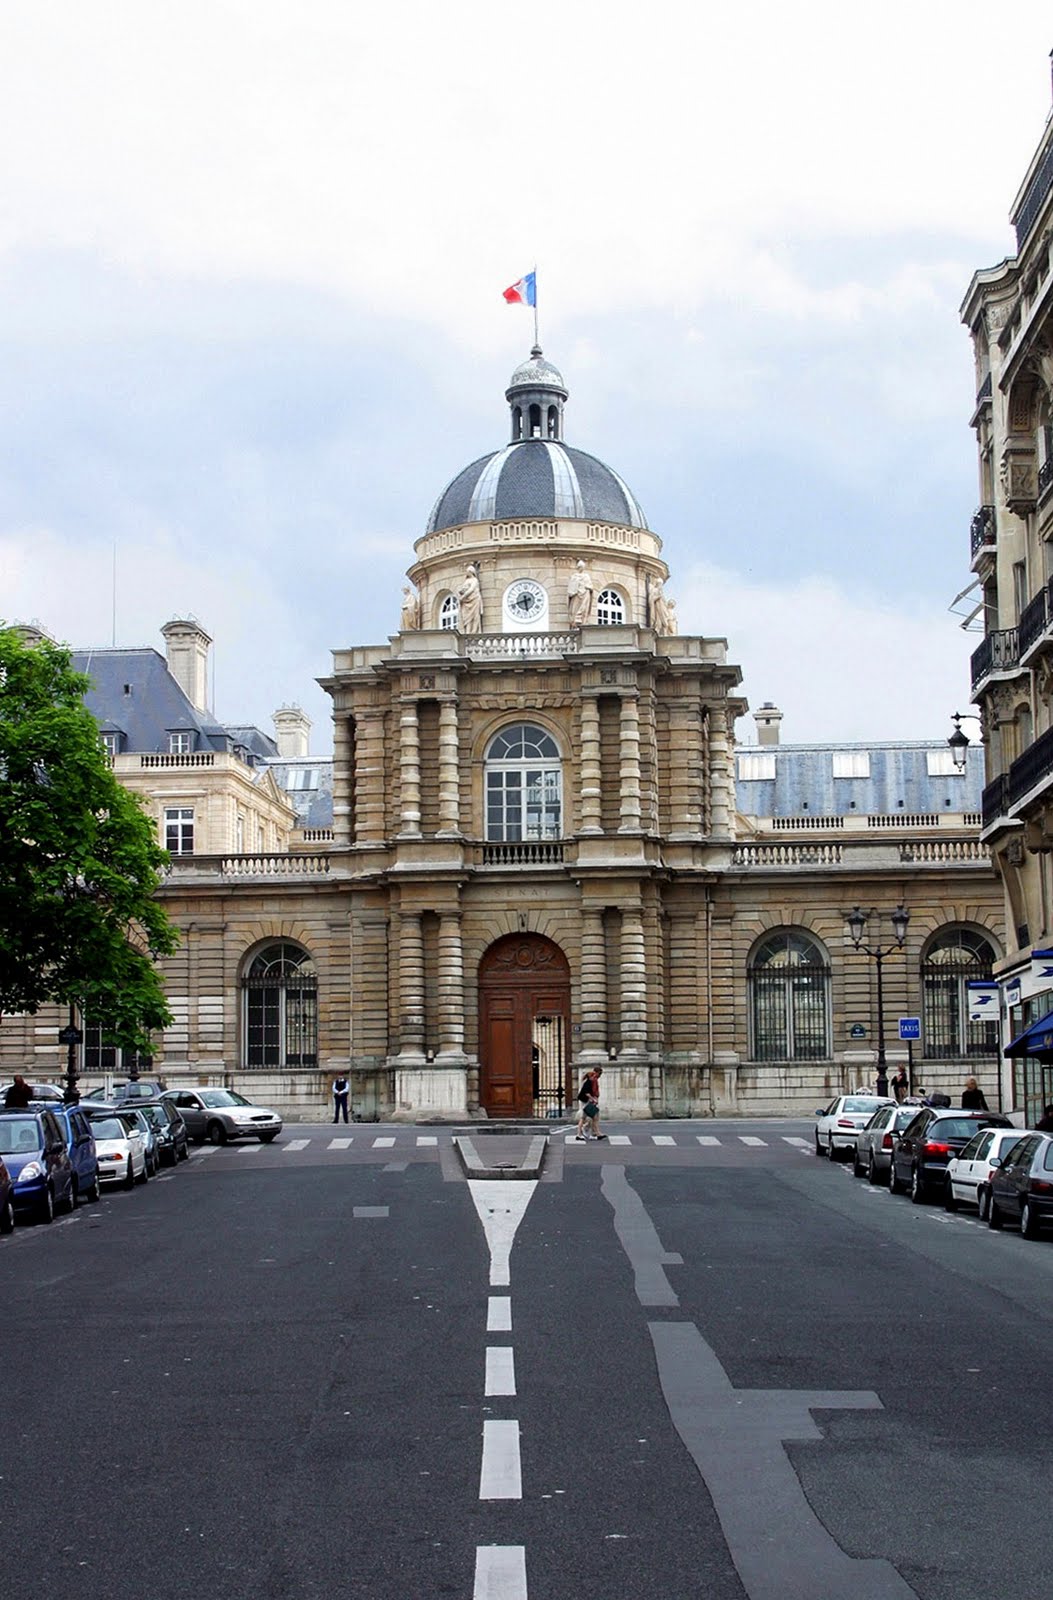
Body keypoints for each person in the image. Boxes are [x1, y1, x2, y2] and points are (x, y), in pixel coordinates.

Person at [575, 1065, 606, 1141]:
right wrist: (593, 1099)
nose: (599, 1076)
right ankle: (579, 1134)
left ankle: (596, 1133)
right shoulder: (590, 1081)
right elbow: (587, 1093)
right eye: (599, 1074)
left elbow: (594, 1092)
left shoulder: (593, 1080)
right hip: (585, 1101)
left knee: (595, 1117)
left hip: (589, 1100)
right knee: (583, 1117)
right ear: (595, 1073)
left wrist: (595, 1098)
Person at [567, 559, 594, 627]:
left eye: (582, 567)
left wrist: (587, 587)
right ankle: (575, 620)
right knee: (575, 607)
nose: (581, 568)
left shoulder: (586, 576)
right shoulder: (574, 576)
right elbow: (571, 589)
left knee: (584, 607)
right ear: (578, 568)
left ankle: (581, 620)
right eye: (580, 567)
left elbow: (590, 586)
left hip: (585, 594)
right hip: (576, 594)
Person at [457, 565, 483, 633]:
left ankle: (474, 632)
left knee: (475, 616)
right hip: (466, 601)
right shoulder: (467, 580)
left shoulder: (475, 580)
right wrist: (461, 591)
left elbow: (471, 589)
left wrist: (463, 597)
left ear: (471, 572)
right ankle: (468, 633)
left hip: (474, 599)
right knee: (467, 618)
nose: (466, 573)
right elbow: (464, 588)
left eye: (467, 572)